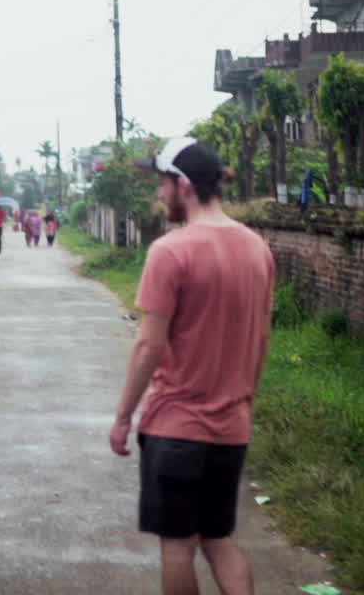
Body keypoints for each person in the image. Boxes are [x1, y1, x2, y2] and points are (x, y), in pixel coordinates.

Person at [108, 137, 274, 595]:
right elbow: (261, 339)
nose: (159, 194)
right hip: (231, 429)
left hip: (176, 428)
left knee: (178, 547)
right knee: (218, 539)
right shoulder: (257, 249)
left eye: (162, 183)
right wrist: (244, 401)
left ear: (183, 185)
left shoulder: (170, 250)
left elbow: (149, 345)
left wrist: (123, 417)